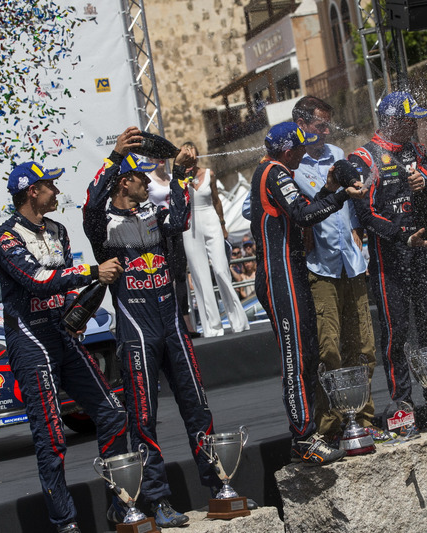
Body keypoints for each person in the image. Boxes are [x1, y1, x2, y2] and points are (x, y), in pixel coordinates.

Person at [83, 127, 222, 528]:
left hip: (171, 324)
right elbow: (92, 203)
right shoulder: (103, 223)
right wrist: (112, 158)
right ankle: (158, 500)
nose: (148, 183)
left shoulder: (153, 213)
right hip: (137, 331)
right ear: (125, 181)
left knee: (197, 407)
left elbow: (179, 218)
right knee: (143, 419)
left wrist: (179, 176)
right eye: (143, 178)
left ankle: (217, 485)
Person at [0, 161, 128, 533]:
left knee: (114, 414)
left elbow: (62, 287)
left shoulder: (58, 230)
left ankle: (122, 505)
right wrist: (91, 272)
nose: (56, 190)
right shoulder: (4, 237)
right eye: (49, 184)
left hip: (63, 335)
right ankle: (65, 523)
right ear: (32, 191)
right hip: (30, 340)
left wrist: (76, 315)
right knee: (51, 437)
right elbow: (36, 280)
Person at [249, 121, 363, 465]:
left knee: (309, 352)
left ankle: (310, 431)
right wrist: (342, 194)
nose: (307, 152)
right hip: (279, 273)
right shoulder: (276, 172)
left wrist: (328, 191)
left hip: (291, 272)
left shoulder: (275, 170)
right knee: (296, 356)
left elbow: (304, 210)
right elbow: (302, 216)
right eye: (302, 147)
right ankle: (302, 437)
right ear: (288, 150)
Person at [347, 91, 427, 426]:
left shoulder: (417, 150)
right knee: (396, 333)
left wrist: (426, 186)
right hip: (390, 261)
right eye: (409, 120)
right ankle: (402, 403)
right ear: (392, 120)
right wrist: (402, 235)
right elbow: (366, 215)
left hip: (424, 254)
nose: (414, 125)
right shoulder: (365, 157)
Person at [290, 95, 381, 444]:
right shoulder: (292, 168)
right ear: (302, 125)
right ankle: (330, 427)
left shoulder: (340, 157)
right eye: (319, 125)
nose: (326, 131)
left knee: (363, 346)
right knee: (329, 349)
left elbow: (356, 201)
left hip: (353, 263)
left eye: (328, 124)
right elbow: (285, 215)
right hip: (320, 266)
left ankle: (364, 418)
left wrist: (359, 224)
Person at [180, 142, 249, 336]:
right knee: (200, 275)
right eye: (186, 157)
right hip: (190, 226)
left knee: (220, 269)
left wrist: (223, 224)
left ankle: (237, 321)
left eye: (192, 156)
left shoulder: (209, 173)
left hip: (210, 220)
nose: (190, 160)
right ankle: (212, 326)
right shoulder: (177, 178)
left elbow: (217, 200)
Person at [147, 158, 199, 337]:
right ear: (149, 159)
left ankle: (186, 321)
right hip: (160, 232)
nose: (159, 160)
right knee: (165, 274)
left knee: (180, 274)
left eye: (162, 156)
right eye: (154, 156)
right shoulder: (148, 180)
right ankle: (170, 322)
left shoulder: (172, 177)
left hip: (176, 229)